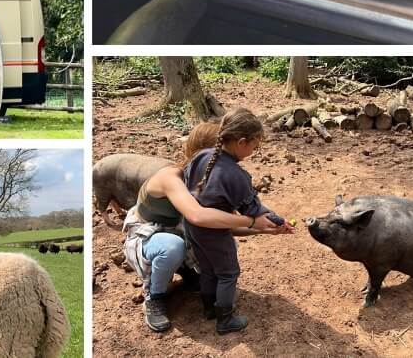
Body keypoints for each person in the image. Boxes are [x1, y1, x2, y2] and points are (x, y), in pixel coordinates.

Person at [122, 121, 284, 333]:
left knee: (220, 245)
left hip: (186, 233)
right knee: (173, 247)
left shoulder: (206, 181)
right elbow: (198, 216)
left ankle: (191, 277)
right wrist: (252, 222)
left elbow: (223, 224)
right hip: (150, 236)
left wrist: (266, 227)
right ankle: (155, 295)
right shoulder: (171, 177)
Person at [182, 109, 295, 335]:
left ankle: (208, 309)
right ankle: (225, 319)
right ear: (242, 142)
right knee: (228, 273)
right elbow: (254, 211)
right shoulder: (235, 175)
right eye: (255, 147)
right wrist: (279, 220)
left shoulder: (201, 156)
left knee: (207, 268)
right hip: (215, 231)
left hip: (192, 226)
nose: (254, 151)